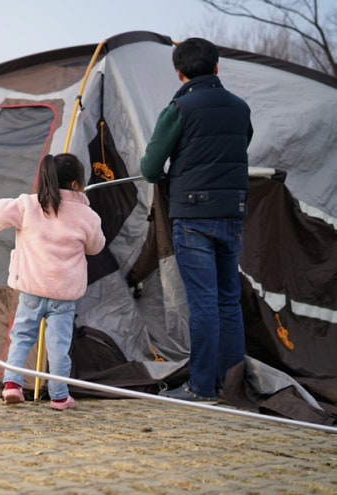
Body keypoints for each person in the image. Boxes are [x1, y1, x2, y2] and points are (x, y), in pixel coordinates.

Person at [140, 37, 253, 403]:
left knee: (203, 303)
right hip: (232, 213)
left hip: (193, 217)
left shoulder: (179, 108)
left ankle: (201, 386)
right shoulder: (240, 108)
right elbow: (239, 145)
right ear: (217, 68)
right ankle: (231, 385)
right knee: (228, 301)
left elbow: (150, 167)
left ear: (180, 74)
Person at [0, 153, 106, 410]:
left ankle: (12, 384)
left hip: (31, 291)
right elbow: (96, 247)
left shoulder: (29, 205)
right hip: (63, 297)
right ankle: (59, 396)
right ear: (76, 185)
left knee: (21, 338)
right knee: (58, 348)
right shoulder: (87, 216)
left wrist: (21, 203)